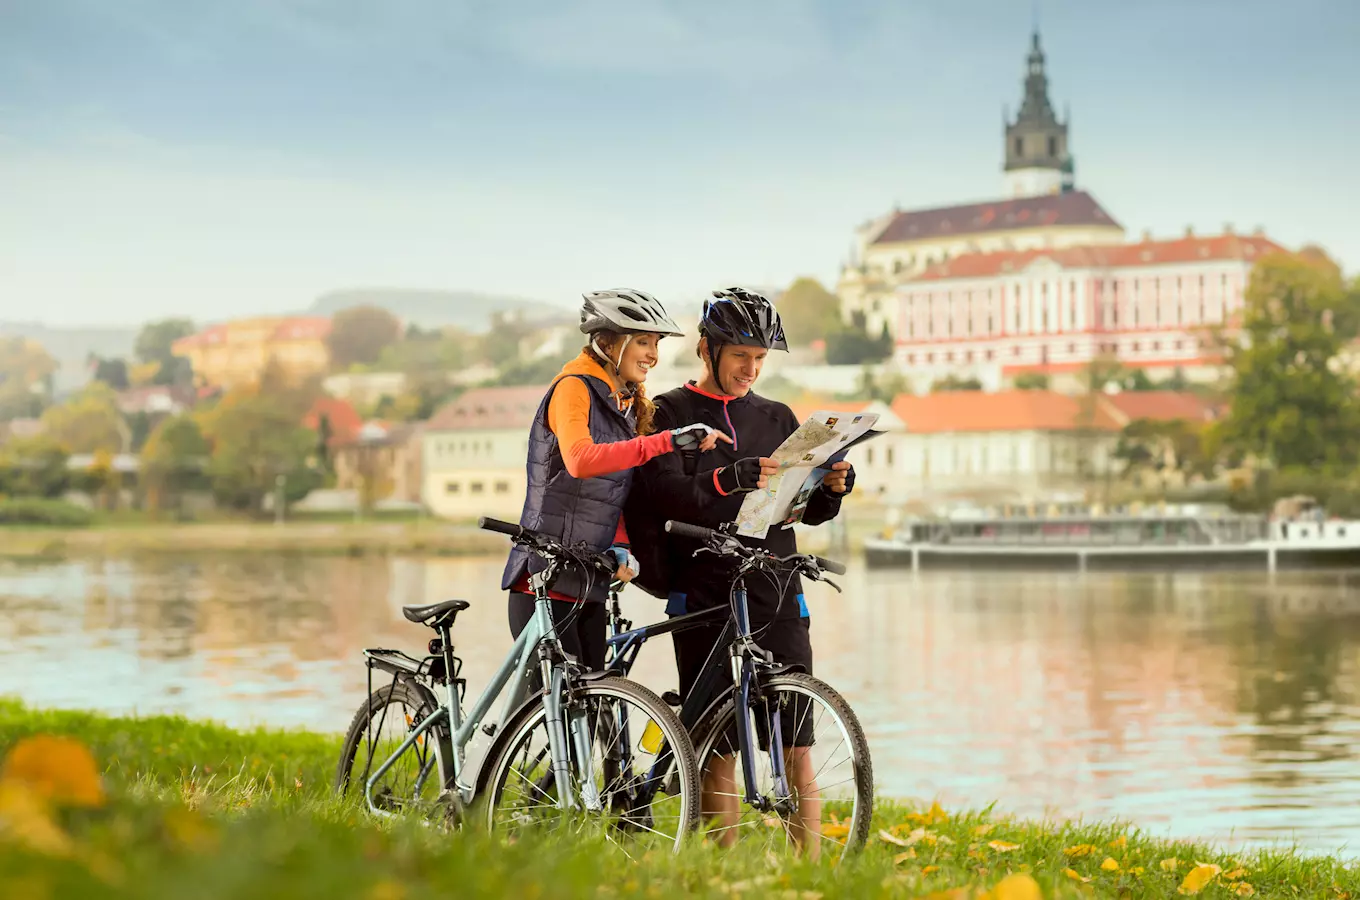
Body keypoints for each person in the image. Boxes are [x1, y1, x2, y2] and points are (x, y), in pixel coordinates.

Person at [626, 287, 854, 859]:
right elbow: (659, 495)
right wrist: (732, 477)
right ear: (708, 349)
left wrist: (832, 490)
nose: (751, 369)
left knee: (797, 735)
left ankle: (815, 870)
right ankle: (720, 866)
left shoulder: (777, 416)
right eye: (740, 357)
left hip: (775, 581)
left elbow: (801, 509)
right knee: (716, 741)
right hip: (702, 584)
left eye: (760, 359)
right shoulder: (670, 412)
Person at [500, 288, 730, 678]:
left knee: (592, 711)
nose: (653, 355)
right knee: (557, 706)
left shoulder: (621, 403)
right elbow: (580, 460)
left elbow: (612, 489)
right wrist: (666, 440)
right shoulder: (573, 387)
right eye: (643, 341)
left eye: (655, 344)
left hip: (589, 577)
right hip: (544, 575)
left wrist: (620, 544)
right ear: (609, 341)